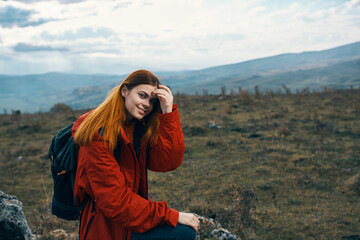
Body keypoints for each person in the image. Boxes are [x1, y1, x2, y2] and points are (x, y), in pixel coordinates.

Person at [72, 69, 199, 240]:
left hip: (128, 219)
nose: (147, 104)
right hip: (106, 228)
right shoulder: (98, 134)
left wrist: (167, 112)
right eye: (142, 95)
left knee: (184, 232)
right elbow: (115, 202)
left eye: (152, 100)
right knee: (182, 233)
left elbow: (169, 161)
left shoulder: (135, 128)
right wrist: (170, 214)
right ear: (124, 91)